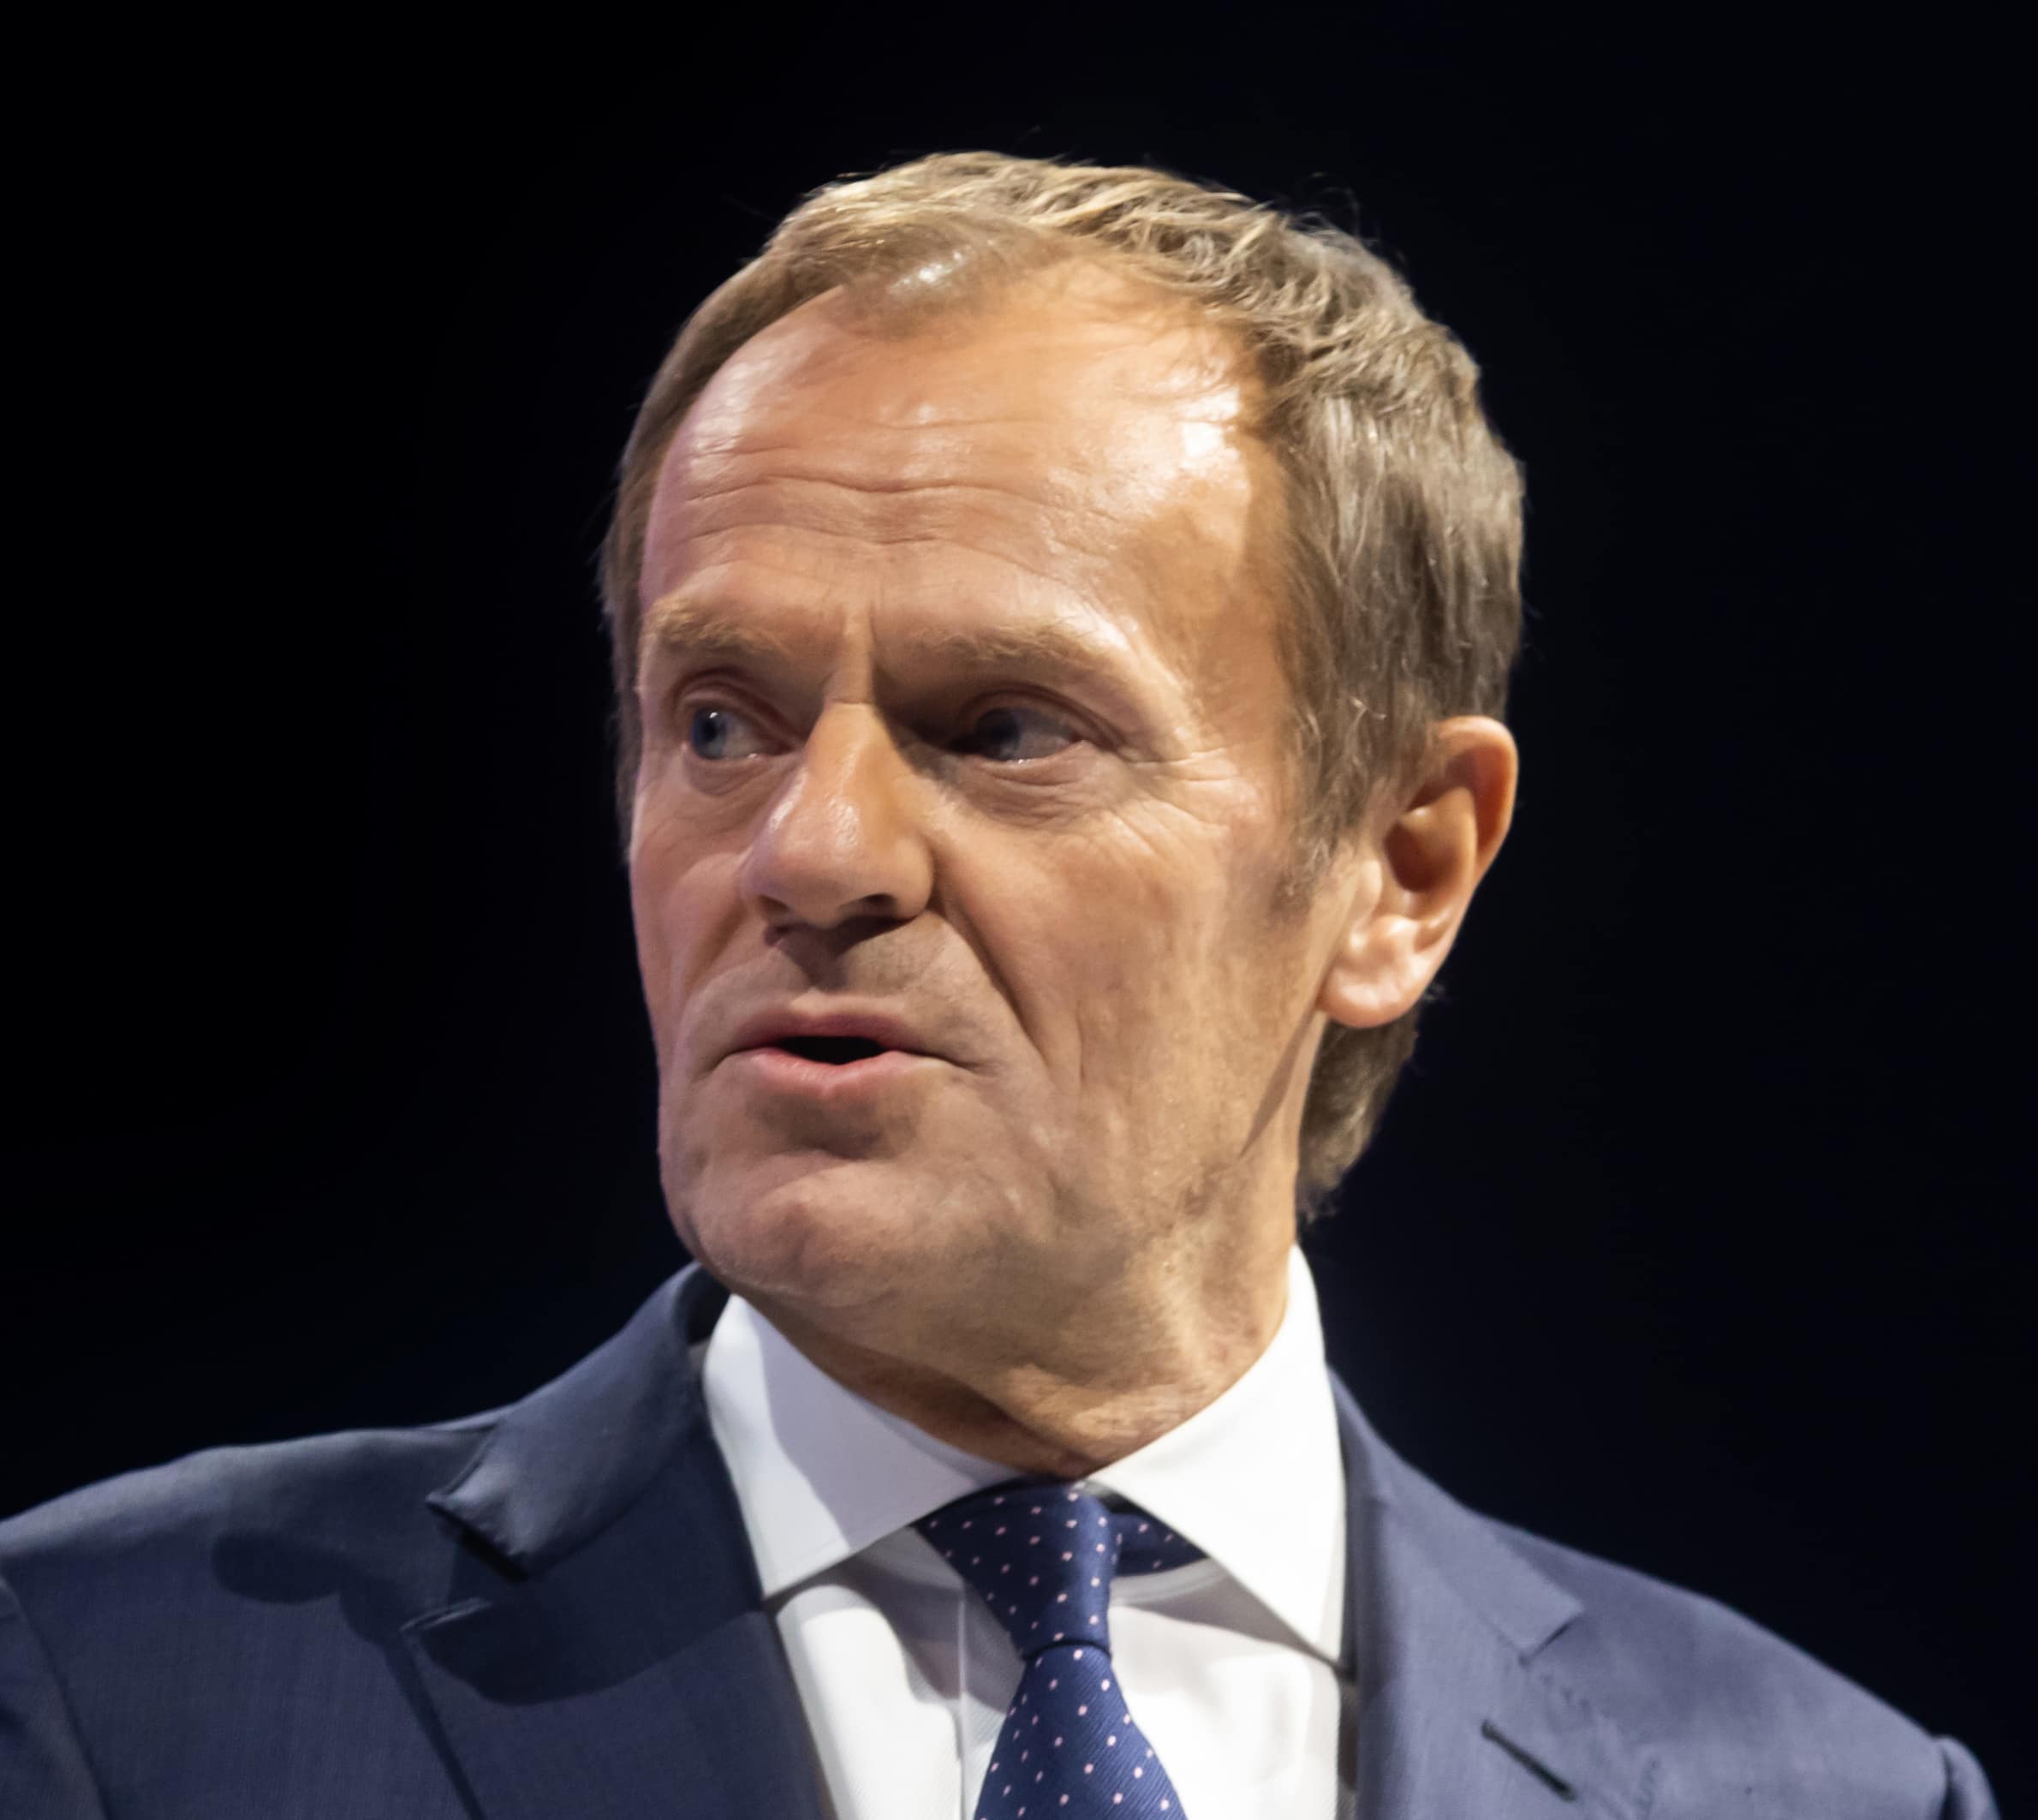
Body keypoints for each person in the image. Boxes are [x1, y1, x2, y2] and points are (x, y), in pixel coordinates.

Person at [0, 152, 1995, 1820]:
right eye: (719, 722)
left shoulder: (1813, 1793)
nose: (809, 852)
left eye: (1005, 727)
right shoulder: (102, 1691)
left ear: (1399, 871)